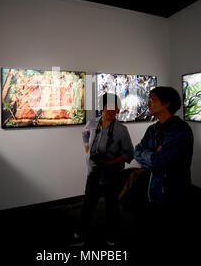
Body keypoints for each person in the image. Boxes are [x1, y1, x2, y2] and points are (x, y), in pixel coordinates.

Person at [74, 93, 134, 246]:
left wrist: (110, 162)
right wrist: (88, 151)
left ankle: (112, 236)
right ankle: (81, 234)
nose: (113, 111)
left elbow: (129, 154)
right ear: (103, 107)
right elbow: (84, 134)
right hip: (93, 172)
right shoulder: (93, 123)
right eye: (110, 107)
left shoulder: (122, 130)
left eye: (116, 108)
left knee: (112, 206)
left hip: (113, 175)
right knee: (88, 204)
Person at [134, 86, 194, 239]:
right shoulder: (152, 129)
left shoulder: (180, 130)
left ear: (166, 103)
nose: (148, 103)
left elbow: (158, 162)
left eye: (153, 100)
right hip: (151, 189)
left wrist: (149, 156)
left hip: (173, 193)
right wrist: (152, 155)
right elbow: (136, 152)